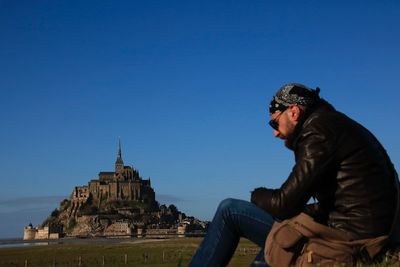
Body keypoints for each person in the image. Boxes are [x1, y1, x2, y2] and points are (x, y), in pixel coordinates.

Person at [188, 83, 399, 267]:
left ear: (294, 112)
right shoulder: (334, 124)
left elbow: (284, 203)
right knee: (283, 232)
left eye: (274, 122)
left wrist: (256, 194)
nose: (275, 132)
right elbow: (340, 201)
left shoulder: (318, 132)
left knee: (229, 210)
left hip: (351, 242)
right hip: (369, 235)